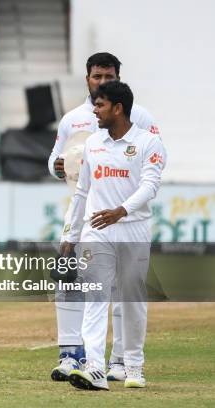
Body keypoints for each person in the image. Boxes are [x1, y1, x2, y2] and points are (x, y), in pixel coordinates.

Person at [48, 52, 161, 383]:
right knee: (89, 290)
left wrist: (123, 210)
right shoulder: (80, 126)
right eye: (97, 77)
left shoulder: (144, 123)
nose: (101, 85)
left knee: (128, 297)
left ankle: (126, 363)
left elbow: (151, 175)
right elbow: (74, 181)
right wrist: (70, 235)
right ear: (88, 79)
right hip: (93, 223)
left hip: (132, 226)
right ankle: (87, 363)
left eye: (108, 78)